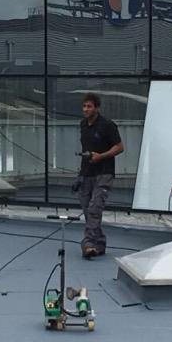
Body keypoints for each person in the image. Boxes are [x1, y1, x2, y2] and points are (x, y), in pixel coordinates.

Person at [76, 93, 123, 258]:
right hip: (87, 173)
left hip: (104, 172)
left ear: (97, 108)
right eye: (84, 106)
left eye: (89, 106)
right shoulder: (82, 125)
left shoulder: (107, 125)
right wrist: (80, 176)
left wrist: (101, 156)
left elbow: (119, 147)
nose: (86, 109)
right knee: (87, 209)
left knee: (95, 208)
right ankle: (100, 243)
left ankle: (88, 244)